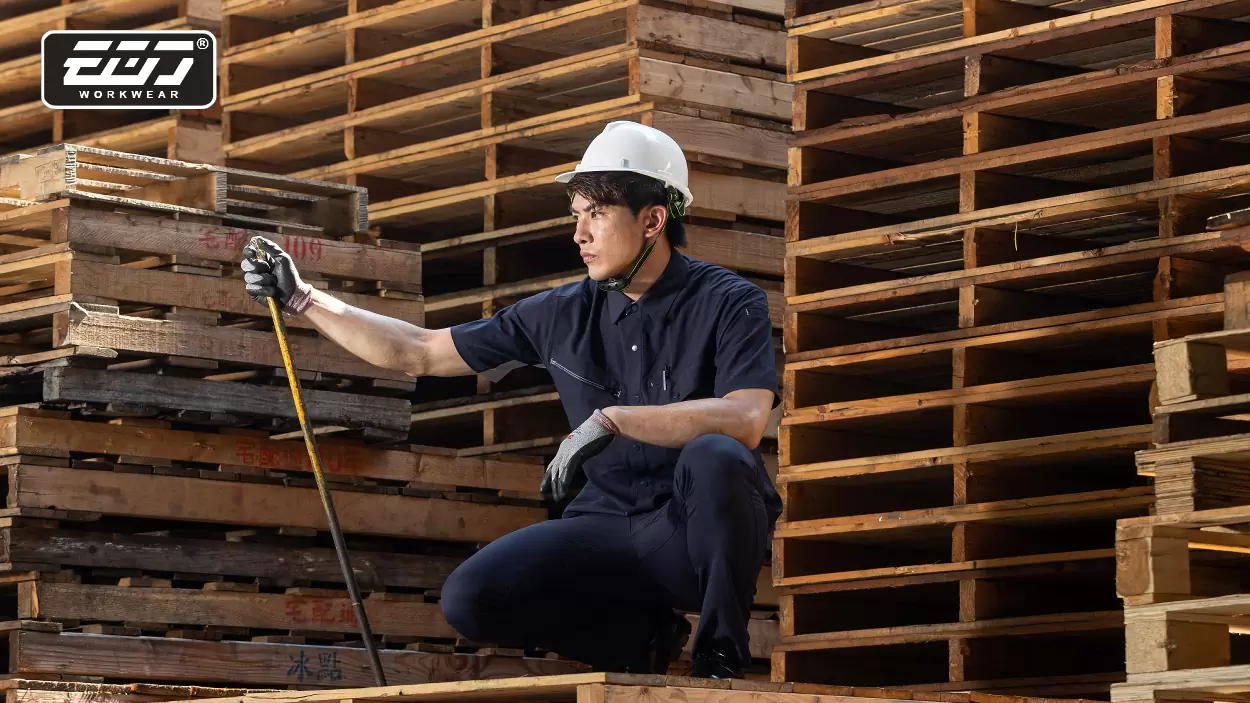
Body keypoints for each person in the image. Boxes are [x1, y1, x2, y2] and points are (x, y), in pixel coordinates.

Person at [240, 121, 783, 679]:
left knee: (719, 457)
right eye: (576, 215)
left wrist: (613, 420)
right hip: (606, 527)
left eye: (596, 213)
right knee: (472, 598)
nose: (579, 234)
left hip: (689, 536)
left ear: (652, 219)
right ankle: (636, 640)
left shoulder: (728, 301)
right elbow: (419, 351)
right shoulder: (559, 313)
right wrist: (304, 298)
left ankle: (719, 659)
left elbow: (744, 419)